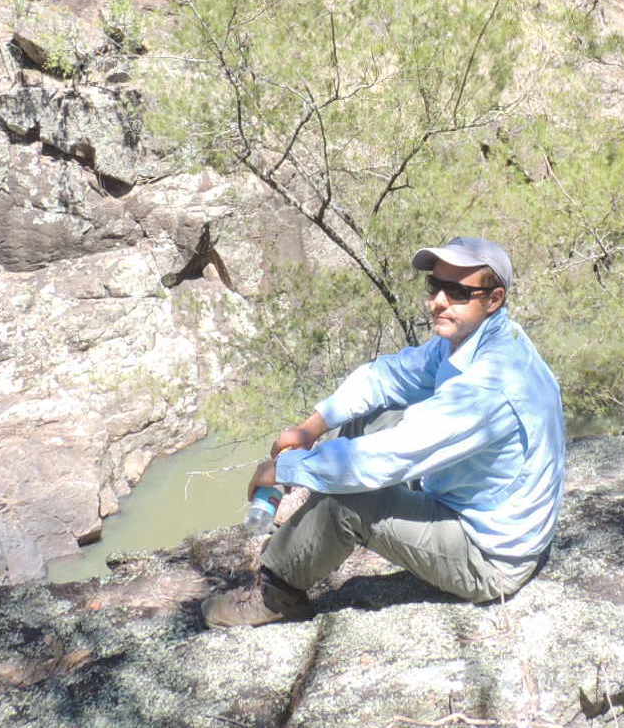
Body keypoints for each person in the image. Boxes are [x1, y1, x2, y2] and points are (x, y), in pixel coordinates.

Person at [201, 236, 566, 627]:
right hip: (477, 509)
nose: (438, 301)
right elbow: (387, 377)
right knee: (372, 417)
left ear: (494, 299)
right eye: (435, 286)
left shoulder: (492, 381)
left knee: (351, 501)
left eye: (458, 292)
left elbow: (388, 457)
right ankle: (312, 526)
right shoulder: (478, 336)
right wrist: (312, 426)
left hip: (489, 558)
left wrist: (285, 470)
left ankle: (277, 595)